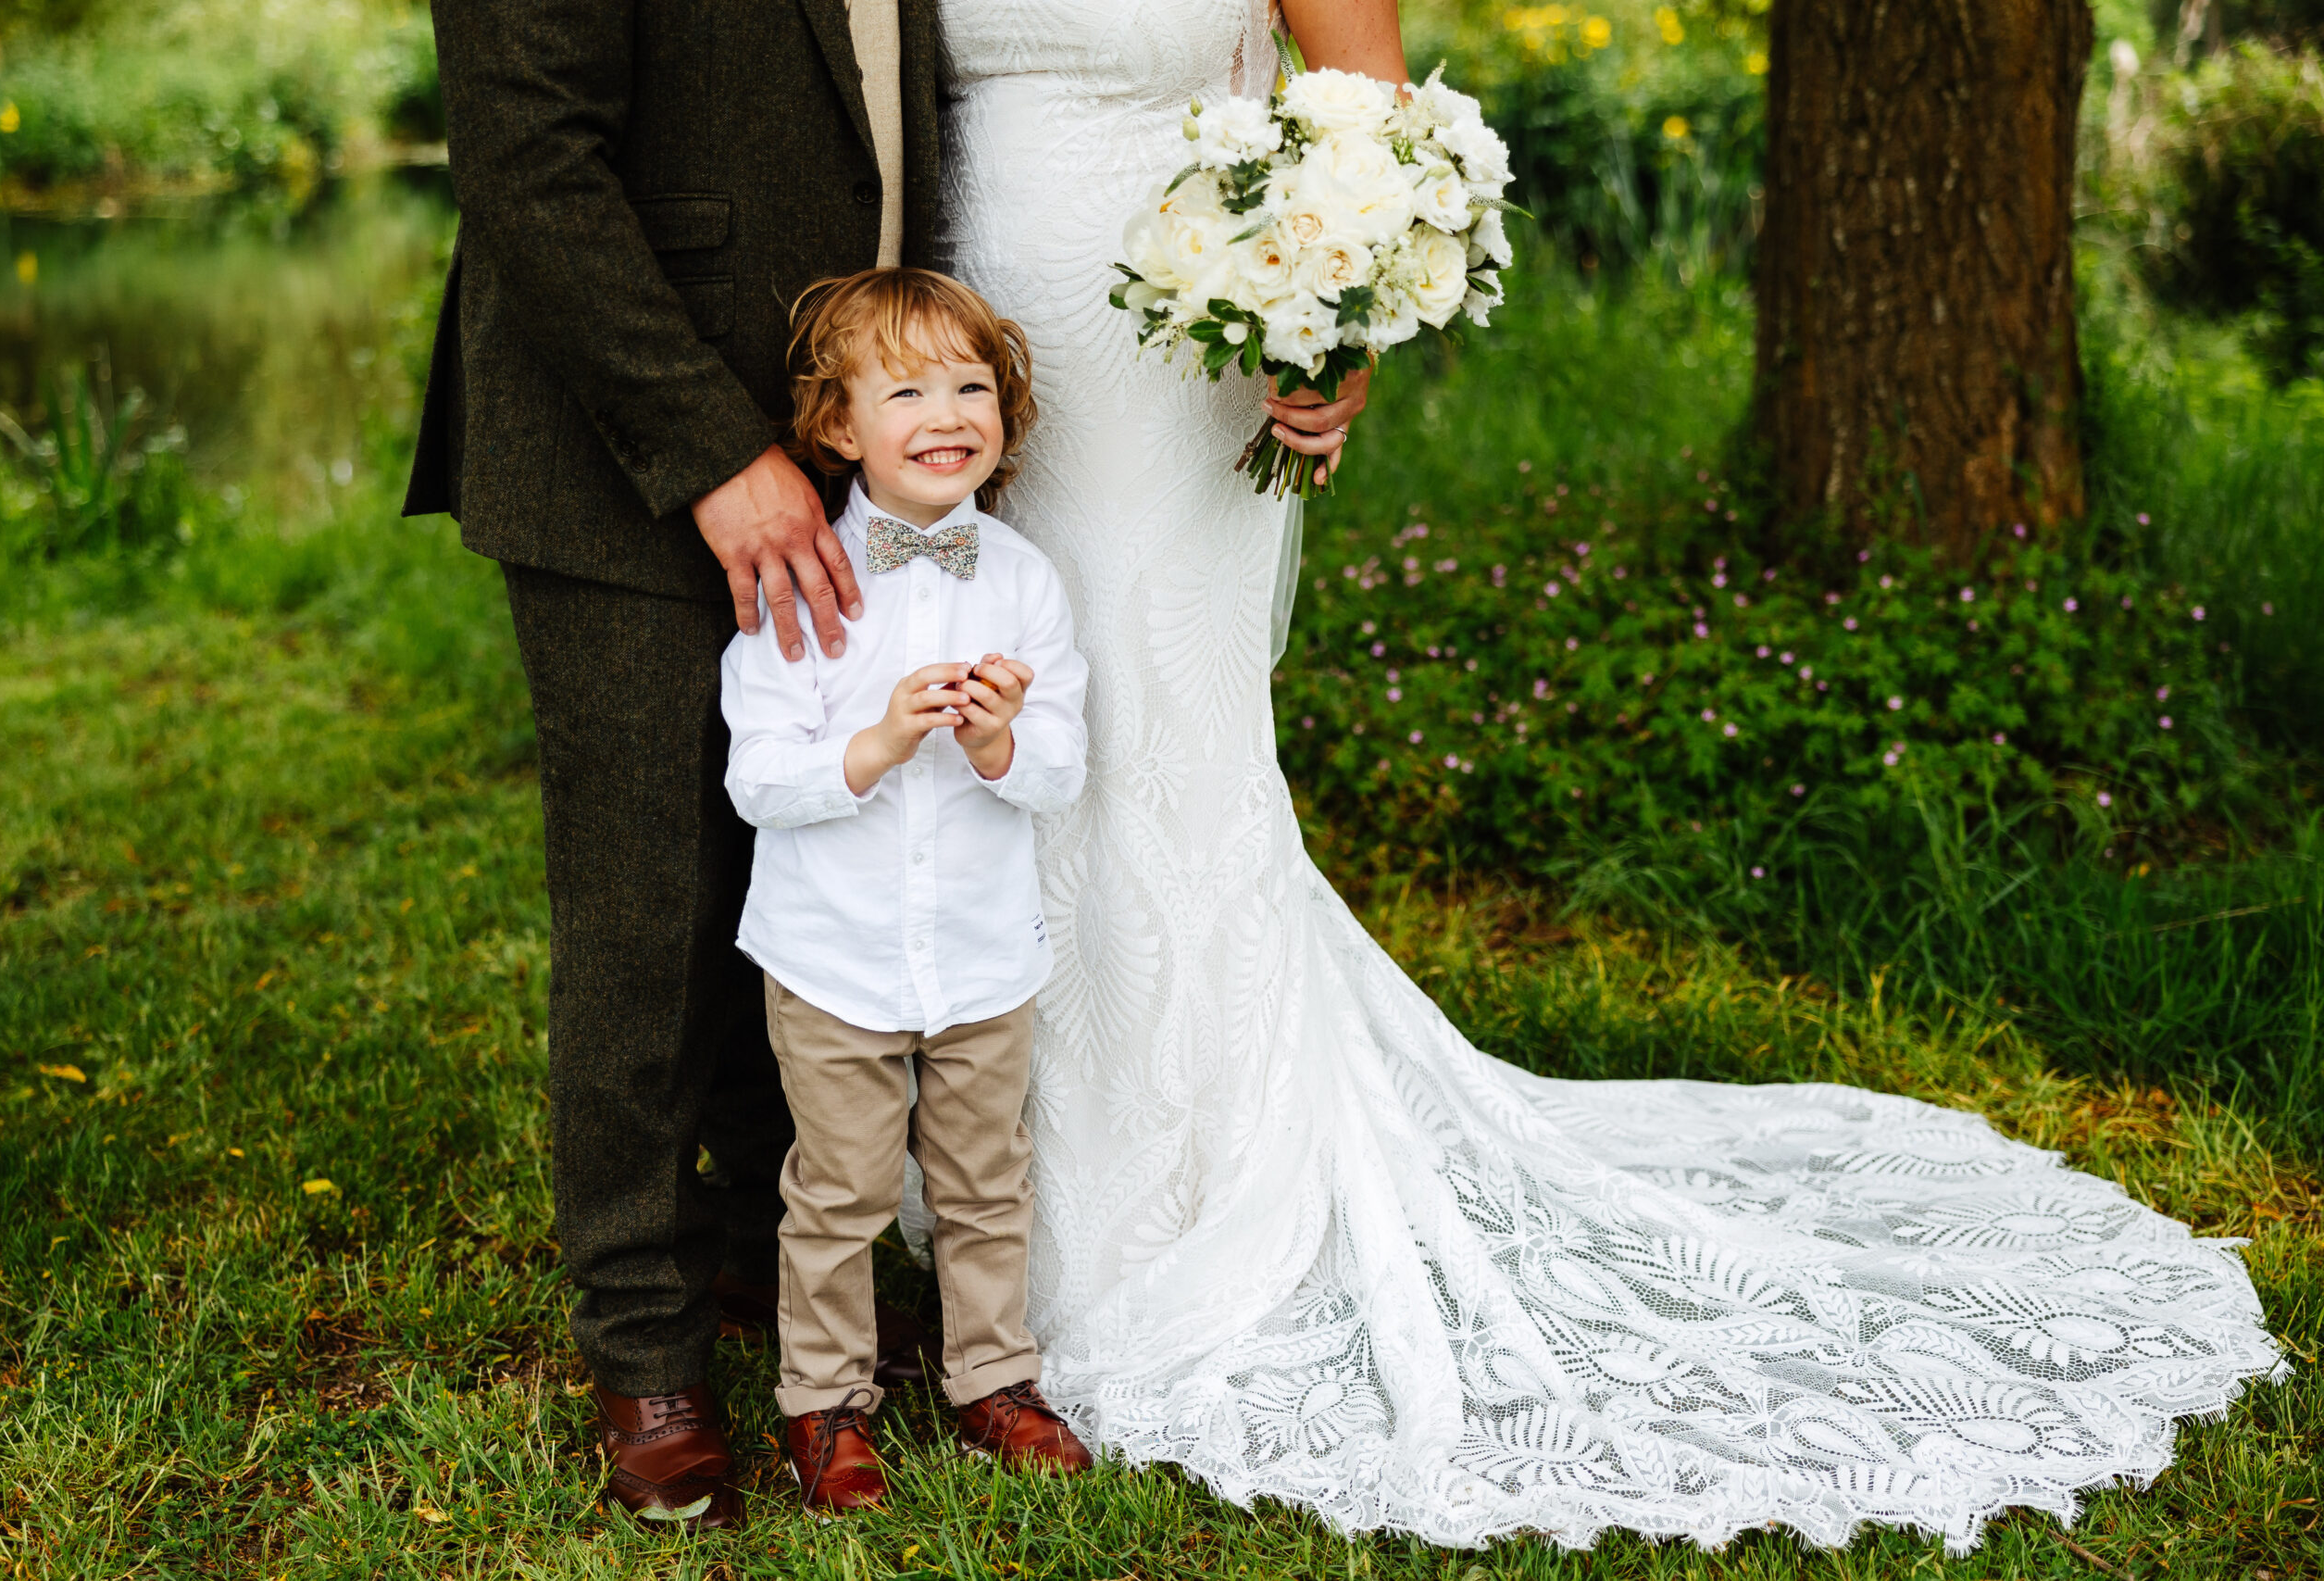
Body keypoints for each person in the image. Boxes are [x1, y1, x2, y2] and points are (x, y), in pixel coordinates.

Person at [935, 0, 2284, 1552]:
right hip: (960, 341)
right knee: (992, 715)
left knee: (1147, 734)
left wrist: (1333, 323)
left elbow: (1369, 109)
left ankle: (1154, 1212)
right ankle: (969, 1190)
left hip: (1167, 354)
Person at [405, 0, 948, 1530]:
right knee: (649, 908)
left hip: (839, 442)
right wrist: (713, 449)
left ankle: (775, 1269)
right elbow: (531, 165)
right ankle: (645, 1344)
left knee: (797, 878)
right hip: (618, 445)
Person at [722, 267, 1094, 1511]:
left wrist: (996, 743)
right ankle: (825, 1405)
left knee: (989, 1175)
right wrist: (876, 745)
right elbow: (760, 781)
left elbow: (1060, 766)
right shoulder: (801, 586)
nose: (948, 413)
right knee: (840, 1187)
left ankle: (993, 1373)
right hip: (835, 955)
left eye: (971, 386)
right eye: (908, 390)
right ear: (838, 427)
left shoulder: (1025, 581)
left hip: (985, 951)